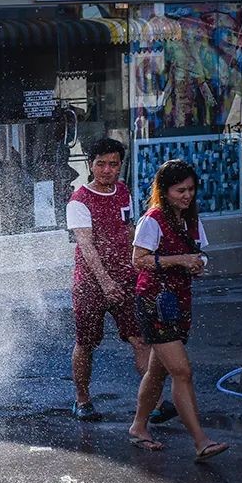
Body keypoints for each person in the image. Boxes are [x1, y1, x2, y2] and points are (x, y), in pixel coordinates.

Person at [127, 159, 229, 462]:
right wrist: (181, 260)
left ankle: (138, 427)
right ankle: (201, 441)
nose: (187, 195)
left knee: (158, 371)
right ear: (164, 190)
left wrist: (198, 264)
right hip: (153, 302)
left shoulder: (191, 220)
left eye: (191, 189)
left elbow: (199, 255)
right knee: (182, 371)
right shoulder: (152, 220)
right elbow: (139, 260)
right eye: (180, 190)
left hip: (179, 303)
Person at [66, 138, 168, 422]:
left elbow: (129, 231)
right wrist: (105, 283)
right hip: (90, 284)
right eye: (101, 164)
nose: (107, 170)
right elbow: (86, 248)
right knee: (86, 343)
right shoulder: (79, 201)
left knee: (139, 339)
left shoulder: (123, 192)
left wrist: (142, 266)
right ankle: (82, 400)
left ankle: (157, 402)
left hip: (126, 279)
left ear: (120, 166)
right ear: (90, 164)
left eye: (113, 164)